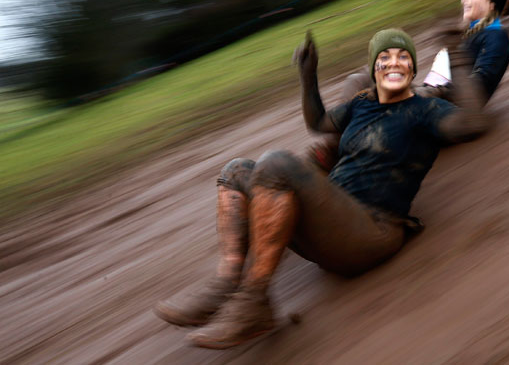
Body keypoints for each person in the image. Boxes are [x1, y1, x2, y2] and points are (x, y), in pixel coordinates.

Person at [153, 28, 489, 349]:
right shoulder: (361, 104)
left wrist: (458, 57)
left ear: (413, 68)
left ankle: (253, 302)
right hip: (333, 220)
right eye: (384, 58)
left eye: (403, 57)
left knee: (277, 163)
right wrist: (307, 75)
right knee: (235, 170)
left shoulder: (424, 110)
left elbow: (472, 123)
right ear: (374, 69)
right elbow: (317, 122)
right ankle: (226, 283)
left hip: (372, 230)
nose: (394, 63)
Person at [307, 0, 509, 171]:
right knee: (366, 77)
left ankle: (337, 148)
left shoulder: (496, 38)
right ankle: (339, 144)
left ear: (491, 3)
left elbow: (479, 88)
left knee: (364, 80)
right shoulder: (470, 35)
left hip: (448, 112)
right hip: (435, 100)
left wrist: (432, 88)